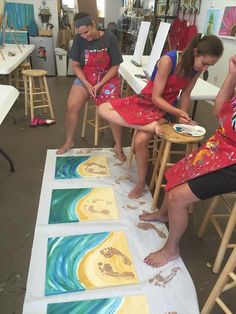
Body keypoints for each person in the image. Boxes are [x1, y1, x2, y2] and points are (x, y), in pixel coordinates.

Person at [98, 34, 224, 198]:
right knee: (102, 108)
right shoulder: (168, 60)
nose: (205, 68)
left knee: (140, 141)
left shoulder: (196, 68)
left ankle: (141, 183)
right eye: (205, 63)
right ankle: (147, 126)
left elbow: (185, 94)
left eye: (209, 66)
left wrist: (182, 118)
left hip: (166, 108)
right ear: (195, 52)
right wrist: (178, 112)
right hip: (147, 99)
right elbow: (156, 97)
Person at [139, 55, 236, 268]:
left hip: (233, 163)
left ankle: (171, 249)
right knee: (174, 173)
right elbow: (218, 110)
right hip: (220, 145)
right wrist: (232, 74)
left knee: (176, 197)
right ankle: (163, 214)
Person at [57, 12, 125, 160]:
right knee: (71, 106)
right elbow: (75, 65)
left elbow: (115, 66)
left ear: (93, 25)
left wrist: (100, 84)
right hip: (86, 77)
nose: (84, 36)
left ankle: (118, 145)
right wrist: (87, 83)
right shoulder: (78, 40)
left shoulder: (109, 38)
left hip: (107, 78)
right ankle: (69, 141)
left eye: (86, 32)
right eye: (81, 34)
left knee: (113, 108)